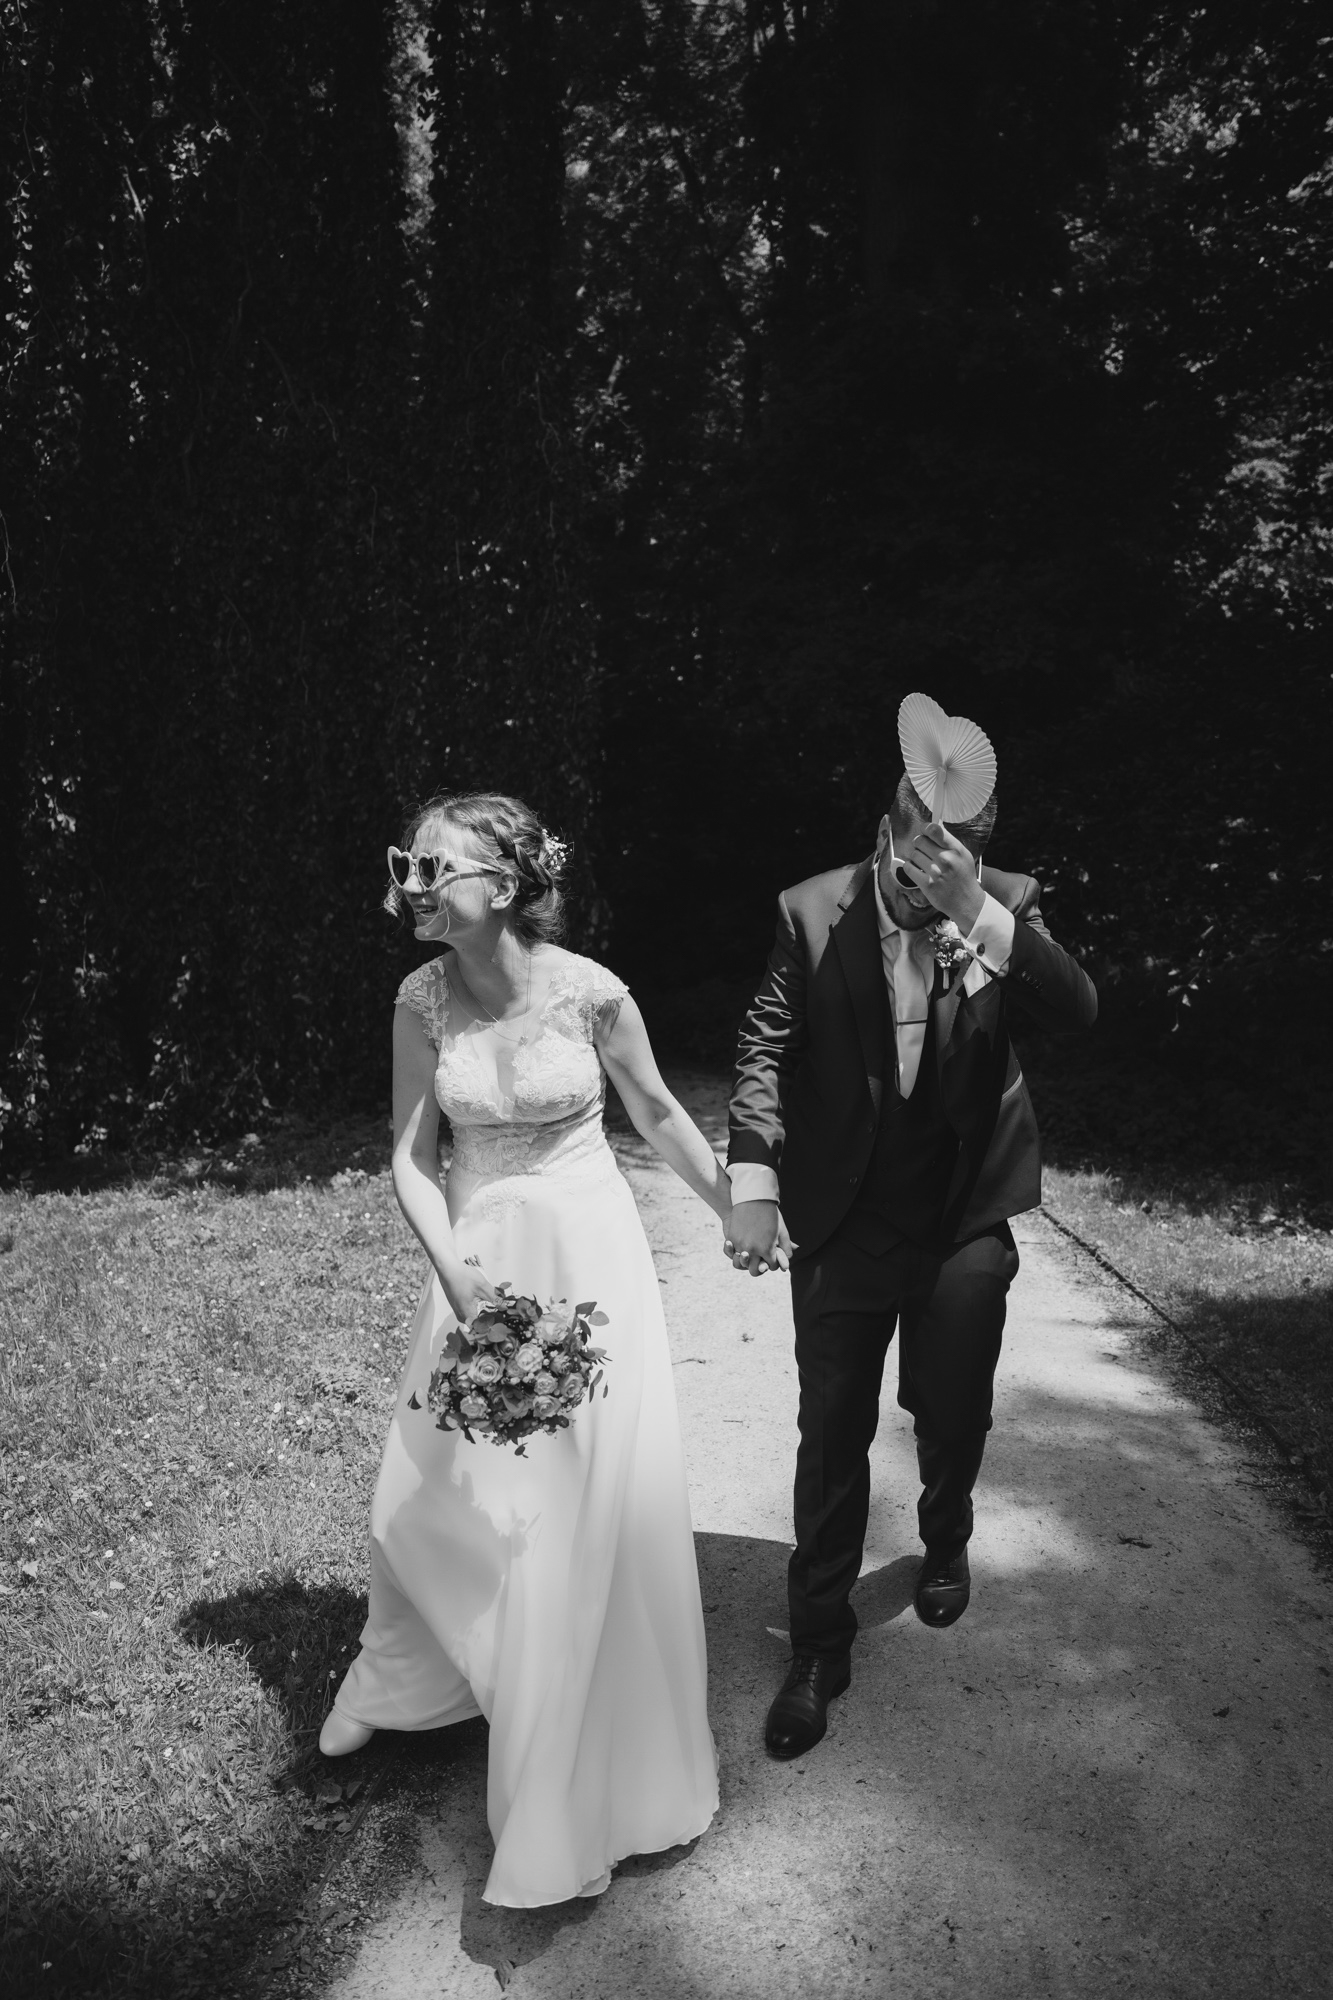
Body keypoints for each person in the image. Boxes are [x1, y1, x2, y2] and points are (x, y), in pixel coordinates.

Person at [321, 792, 723, 1907]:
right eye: (403, 860)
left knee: (576, 1502)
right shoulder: (419, 995)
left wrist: (737, 1205)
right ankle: (402, 1677)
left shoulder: (591, 992)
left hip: (587, 1262)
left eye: (431, 867)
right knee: (428, 1481)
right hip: (478, 1252)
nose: (407, 882)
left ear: (501, 886)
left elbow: (659, 1113)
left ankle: (569, 1757)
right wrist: (452, 1271)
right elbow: (410, 1153)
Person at [725, 768, 1097, 1760]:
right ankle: (817, 1643)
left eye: (938, 872)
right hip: (843, 1216)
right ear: (880, 832)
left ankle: (943, 1530)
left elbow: (1078, 1010)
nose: (911, 887)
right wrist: (754, 1177)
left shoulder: (1001, 903)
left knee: (950, 1402)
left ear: (969, 861)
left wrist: (973, 908)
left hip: (961, 1211)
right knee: (831, 1426)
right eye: (903, 864)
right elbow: (765, 1046)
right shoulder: (809, 910)